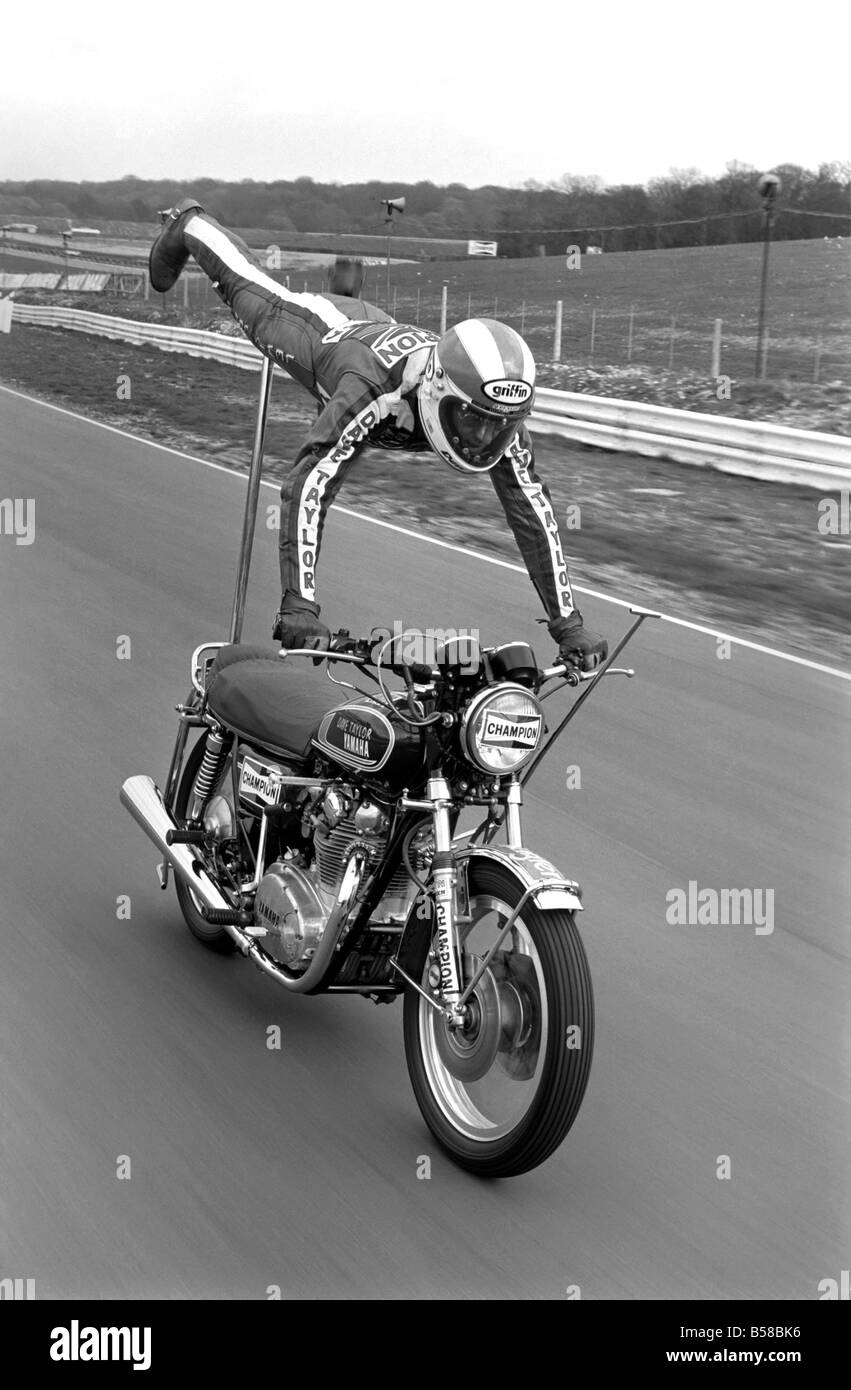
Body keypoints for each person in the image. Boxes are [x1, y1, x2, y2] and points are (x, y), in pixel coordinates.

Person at [149, 198, 607, 671]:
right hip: (326, 335)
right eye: (473, 420)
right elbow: (309, 483)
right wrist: (299, 604)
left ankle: (346, 281)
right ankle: (189, 222)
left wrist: (567, 623)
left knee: (352, 308)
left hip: (379, 325)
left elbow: (532, 511)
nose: (483, 436)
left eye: (501, 424)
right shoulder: (368, 390)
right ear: (436, 390)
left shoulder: (495, 411)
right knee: (249, 288)